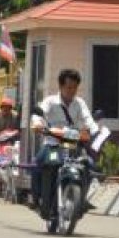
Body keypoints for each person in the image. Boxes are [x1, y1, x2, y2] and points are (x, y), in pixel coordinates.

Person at [30, 68, 98, 218]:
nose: (72, 91)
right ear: (60, 86)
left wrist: (95, 130)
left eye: (75, 87)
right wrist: (38, 124)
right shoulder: (50, 101)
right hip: (53, 143)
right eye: (69, 87)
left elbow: (89, 120)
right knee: (39, 163)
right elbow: (38, 115)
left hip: (73, 143)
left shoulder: (80, 103)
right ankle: (35, 198)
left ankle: (82, 198)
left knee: (89, 164)